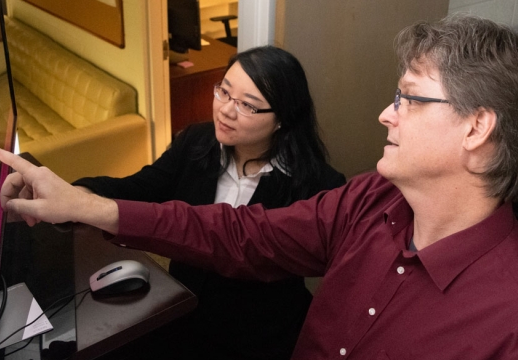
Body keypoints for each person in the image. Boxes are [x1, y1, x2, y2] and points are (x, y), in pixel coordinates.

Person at [0, 14, 518, 360]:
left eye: (408, 100)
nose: (385, 116)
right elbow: (241, 233)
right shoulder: (370, 201)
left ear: (477, 126)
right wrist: (85, 204)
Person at [83, 46, 346, 359]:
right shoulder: (196, 141)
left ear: (282, 120)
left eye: (248, 105)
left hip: (259, 334)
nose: (225, 110)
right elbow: (139, 187)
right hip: (184, 310)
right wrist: (76, 192)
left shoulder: (319, 186)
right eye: (224, 91)